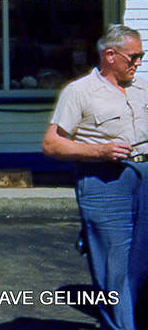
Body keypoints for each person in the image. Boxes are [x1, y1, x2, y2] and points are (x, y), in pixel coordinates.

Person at [42, 24, 148, 330]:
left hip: (144, 178)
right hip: (105, 182)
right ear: (110, 55)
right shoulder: (79, 92)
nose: (138, 63)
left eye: (141, 57)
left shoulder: (142, 89)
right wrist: (99, 152)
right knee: (114, 264)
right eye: (134, 57)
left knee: (141, 265)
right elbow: (52, 144)